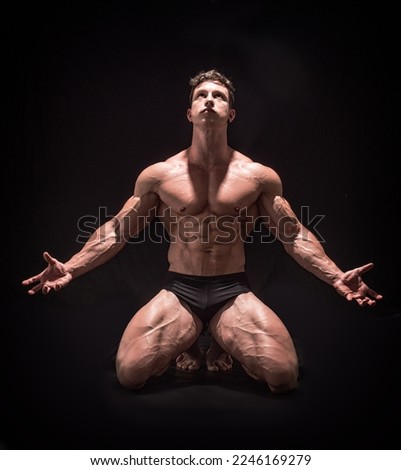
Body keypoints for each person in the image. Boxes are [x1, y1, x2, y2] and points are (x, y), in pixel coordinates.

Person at [22, 69, 382, 394]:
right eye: (201, 96)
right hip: (180, 288)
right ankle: (191, 337)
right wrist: (71, 267)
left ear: (231, 113)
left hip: (232, 288)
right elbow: (117, 231)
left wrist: (336, 276)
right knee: (130, 375)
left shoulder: (258, 176)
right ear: (190, 113)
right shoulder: (159, 175)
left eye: (219, 96)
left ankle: (222, 341)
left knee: (283, 377)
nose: (209, 99)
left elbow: (292, 234)